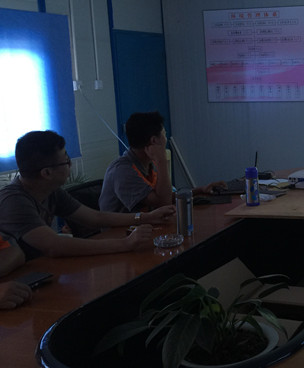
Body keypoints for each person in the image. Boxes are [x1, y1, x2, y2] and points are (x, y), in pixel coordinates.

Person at [0, 130, 175, 259]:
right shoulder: (14, 202)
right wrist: (126, 243)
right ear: (46, 173)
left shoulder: (50, 191)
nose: (70, 165)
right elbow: (54, 246)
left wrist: (147, 217)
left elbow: (95, 218)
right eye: (66, 161)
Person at [99, 111, 225, 213]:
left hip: (142, 227)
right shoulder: (123, 171)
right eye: (164, 134)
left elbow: (165, 196)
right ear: (154, 141)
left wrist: (201, 190)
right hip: (120, 233)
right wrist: (161, 160)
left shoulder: (144, 163)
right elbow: (163, 204)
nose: (165, 139)